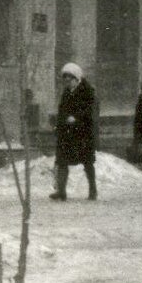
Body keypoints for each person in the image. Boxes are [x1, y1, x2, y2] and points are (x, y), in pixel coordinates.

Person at [49, 63, 98, 201]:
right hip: (67, 133)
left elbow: (90, 112)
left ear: (77, 78)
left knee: (87, 162)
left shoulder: (87, 92)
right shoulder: (66, 93)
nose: (67, 82)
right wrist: (58, 126)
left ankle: (93, 190)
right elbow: (62, 111)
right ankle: (61, 191)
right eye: (65, 79)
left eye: (69, 79)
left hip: (83, 133)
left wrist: (76, 118)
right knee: (62, 161)